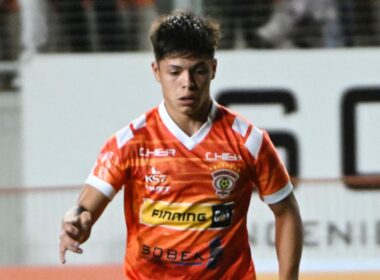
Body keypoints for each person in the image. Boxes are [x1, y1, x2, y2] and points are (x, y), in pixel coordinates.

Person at [59, 10, 303, 279]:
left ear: (213, 68)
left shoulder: (248, 140)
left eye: (198, 70)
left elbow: (287, 212)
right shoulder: (130, 142)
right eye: (174, 72)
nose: (187, 84)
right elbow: (84, 207)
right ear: (156, 71)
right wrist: (77, 221)